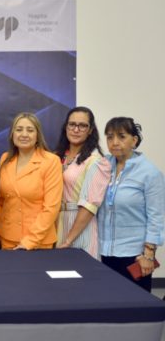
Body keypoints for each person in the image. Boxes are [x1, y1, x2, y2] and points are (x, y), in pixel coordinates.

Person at [97, 117, 165, 292]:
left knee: (134, 309)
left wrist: (148, 255)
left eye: (121, 136)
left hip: (134, 255)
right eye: (110, 137)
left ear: (134, 140)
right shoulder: (103, 166)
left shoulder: (149, 173)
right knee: (108, 305)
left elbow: (157, 217)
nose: (114, 142)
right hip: (103, 252)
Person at [0, 112, 63, 250]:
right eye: (19, 130)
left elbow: (51, 207)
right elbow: (0, 202)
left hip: (39, 243)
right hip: (7, 239)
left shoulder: (51, 161)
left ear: (37, 135)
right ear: (12, 134)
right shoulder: (5, 159)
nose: (24, 134)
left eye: (30, 130)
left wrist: (30, 241)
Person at [54, 107, 111, 258]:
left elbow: (89, 206)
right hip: (54, 224)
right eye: (72, 124)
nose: (76, 129)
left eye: (82, 125)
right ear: (65, 127)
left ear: (90, 130)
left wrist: (68, 240)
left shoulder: (97, 162)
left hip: (79, 226)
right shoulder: (57, 156)